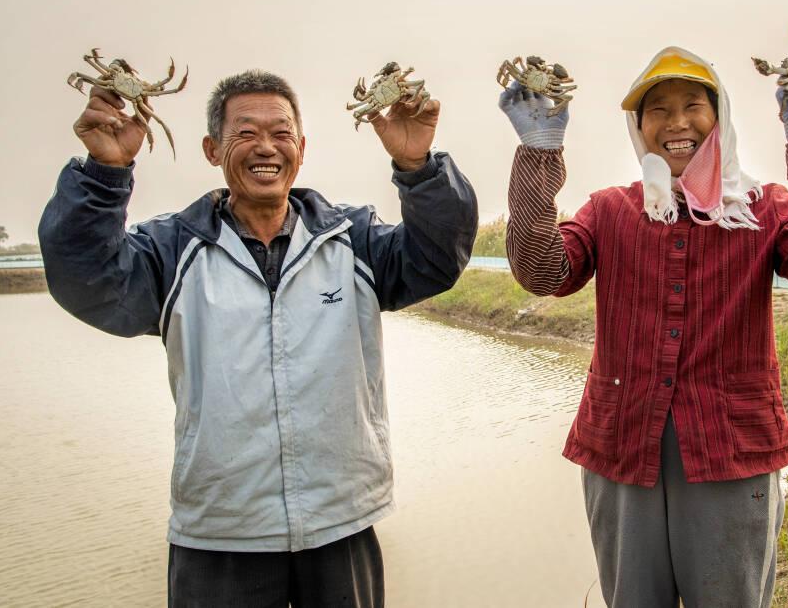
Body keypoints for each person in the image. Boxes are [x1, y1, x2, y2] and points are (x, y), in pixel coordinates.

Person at [39, 69, 478, 607]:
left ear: (301, 149)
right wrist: (105, 173)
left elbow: (437, 258)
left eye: (281, 133)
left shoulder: (354, 241)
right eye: (245, 134)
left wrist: (418, 166)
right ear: (211, 149)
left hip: (340, 520)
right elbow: (88, 282)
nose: (265, 147)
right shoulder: (170, 250)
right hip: (221, 531)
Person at [499, 47, 788, 607]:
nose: (677, 123)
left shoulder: (762, 208)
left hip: (729, 450)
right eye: (659, 110)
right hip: (622, 447)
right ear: (639, 127)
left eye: (693, 105)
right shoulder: (609, 211)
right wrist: (537, 156)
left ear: (718, 117)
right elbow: (540, 270)